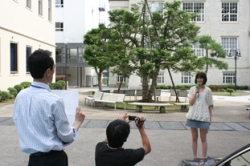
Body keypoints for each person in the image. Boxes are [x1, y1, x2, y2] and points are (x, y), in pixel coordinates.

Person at [13, 50, 85, 166]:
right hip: (54, 160)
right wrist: (77, 121)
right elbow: (66, 136)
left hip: (33, 160)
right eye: (53, 70)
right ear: (48, 71)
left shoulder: (21, 96)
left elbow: (18, 121)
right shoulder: (54, 100)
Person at [185, 72, 213, 159]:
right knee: (194, 137)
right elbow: (191, 103)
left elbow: (210, 105)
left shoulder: (208, 90)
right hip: (193, 116)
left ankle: (204, 157)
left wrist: (210, 119)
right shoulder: (192, 89)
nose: (199, 80)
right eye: (198, 78)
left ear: (204, 79)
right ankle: (195, 157)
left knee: (203, 137)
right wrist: (195, 93)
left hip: (204, 117)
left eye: (201, 78)